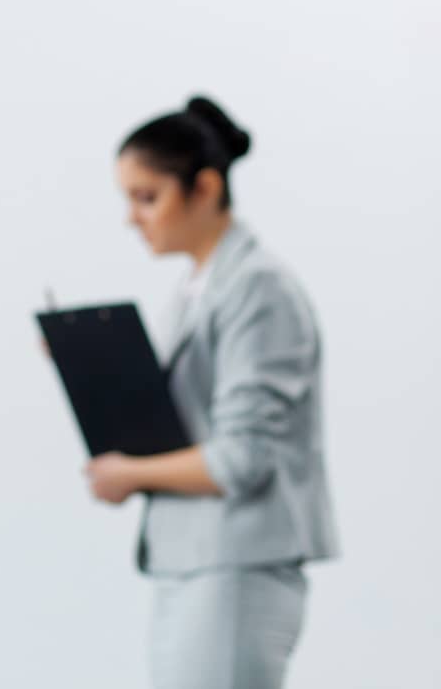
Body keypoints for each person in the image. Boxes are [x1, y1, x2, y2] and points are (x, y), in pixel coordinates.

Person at [88, 96, 338, 689]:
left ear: (204, 188)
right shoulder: (195, 290)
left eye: (147, 198)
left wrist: (134, 473)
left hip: (234, 567)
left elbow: (242, 458)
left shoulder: (257, 289)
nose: (133, 218)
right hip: (195, 562)